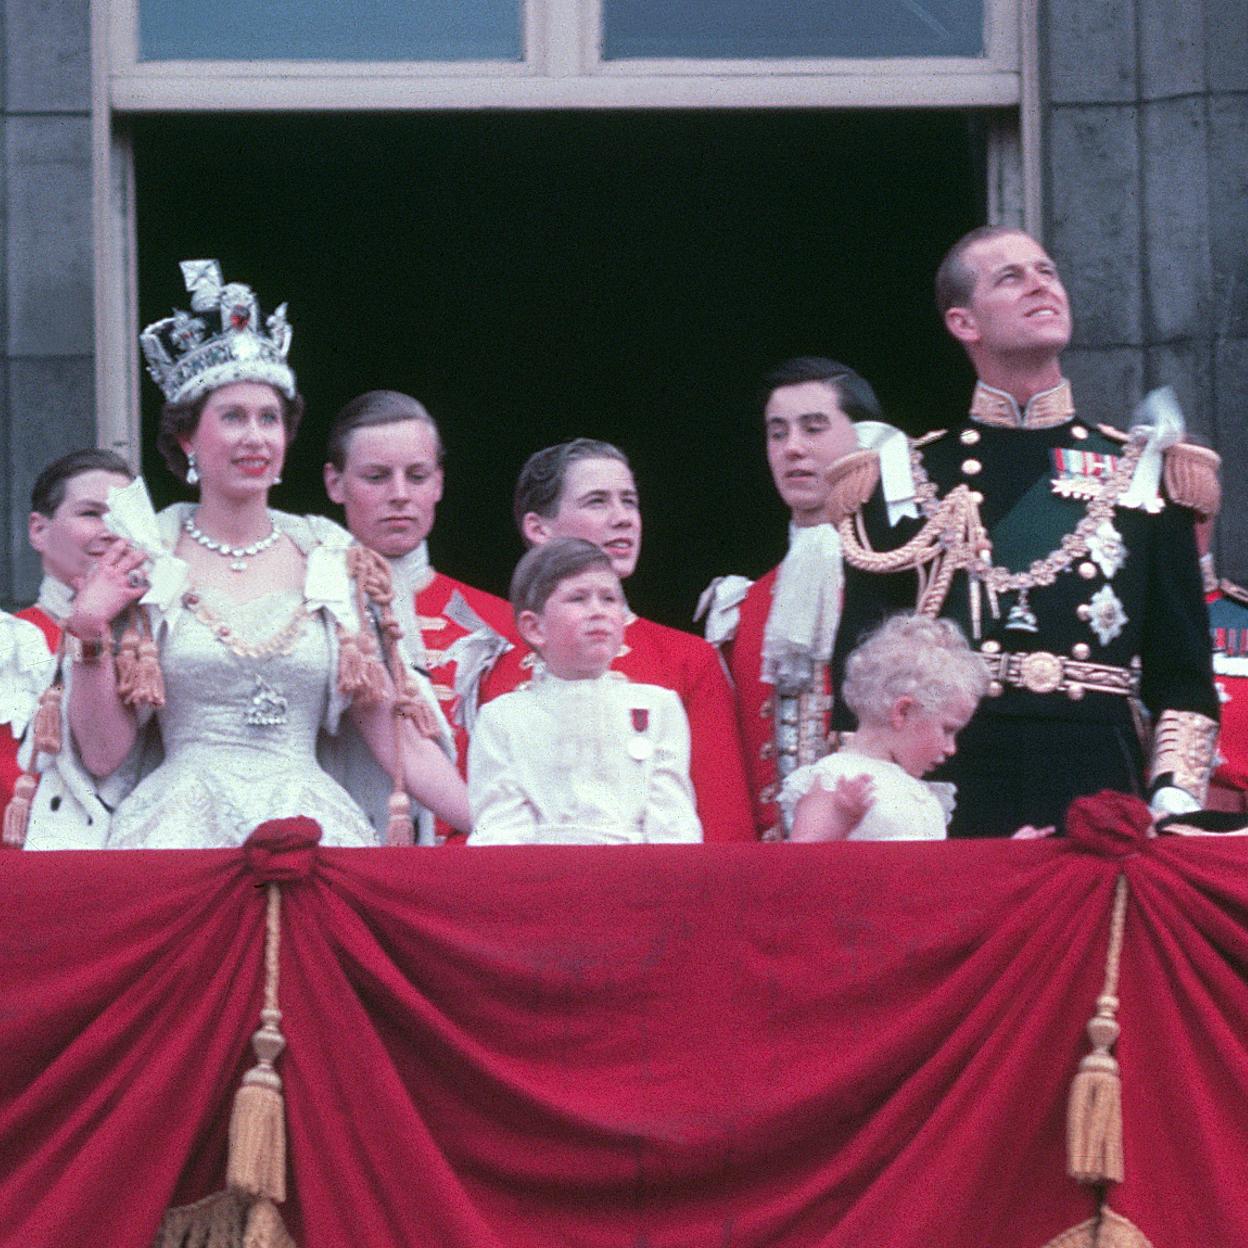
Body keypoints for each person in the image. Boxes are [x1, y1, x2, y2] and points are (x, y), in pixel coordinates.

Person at [26, 259, 469, 850]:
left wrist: (496, 832)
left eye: (269, 419)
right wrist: (87, 629)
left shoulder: (333, 561)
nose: (255, 437)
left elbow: (397, 738)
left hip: (314, 829)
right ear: (187, 438)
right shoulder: (145, 559)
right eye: (233, 417)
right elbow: (106, 757)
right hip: (177, 834)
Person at [827, 226, 1220, 837]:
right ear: (963, 322)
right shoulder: (904, 475)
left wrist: (1173, 791)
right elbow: (861, 674)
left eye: (1047, 272)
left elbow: (1184, 674)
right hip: (947, 788)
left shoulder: (1142, 472)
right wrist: (868, 800)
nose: (1040, 286)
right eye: (1010, 278)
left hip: (1099, 784)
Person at [477, 438, 754, 842]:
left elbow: (723, 825)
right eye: (597, 502)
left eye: (629, 501)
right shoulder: (495, 664)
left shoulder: (686, 658)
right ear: (539, 528)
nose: (623, 518)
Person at [322, 389, 514, 843]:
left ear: (439, 483)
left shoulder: (502, 625)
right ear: (335, 483)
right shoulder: (312, 610)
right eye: (376, 477)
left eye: (417, 476)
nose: (400, 495)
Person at [699, 358, 879, 839]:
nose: (792, 448)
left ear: (865, 440)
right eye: (777, 433)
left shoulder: (904, 580)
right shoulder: (741, 605)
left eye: (813, 429)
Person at [468, 538, 701, 845]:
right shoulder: (503, 718)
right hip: (541, 870)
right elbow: (500, 832)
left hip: (641, 870)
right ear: (534, 628)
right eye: (578, 599)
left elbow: (673, 824)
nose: (598, 611)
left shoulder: (658, 708)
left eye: (609, 599)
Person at [0, 450, 134, 839]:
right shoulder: (11, 644)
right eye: (91, 513)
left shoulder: (159, 647)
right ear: (39, 530)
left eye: (124, 517)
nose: (111, 531)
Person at [781, 614, 989, 841]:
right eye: (947, 730)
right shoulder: (837, 777)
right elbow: (801, 856)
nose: (951, 748)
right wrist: (841, 820)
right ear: (903, 712)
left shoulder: (923, 794)